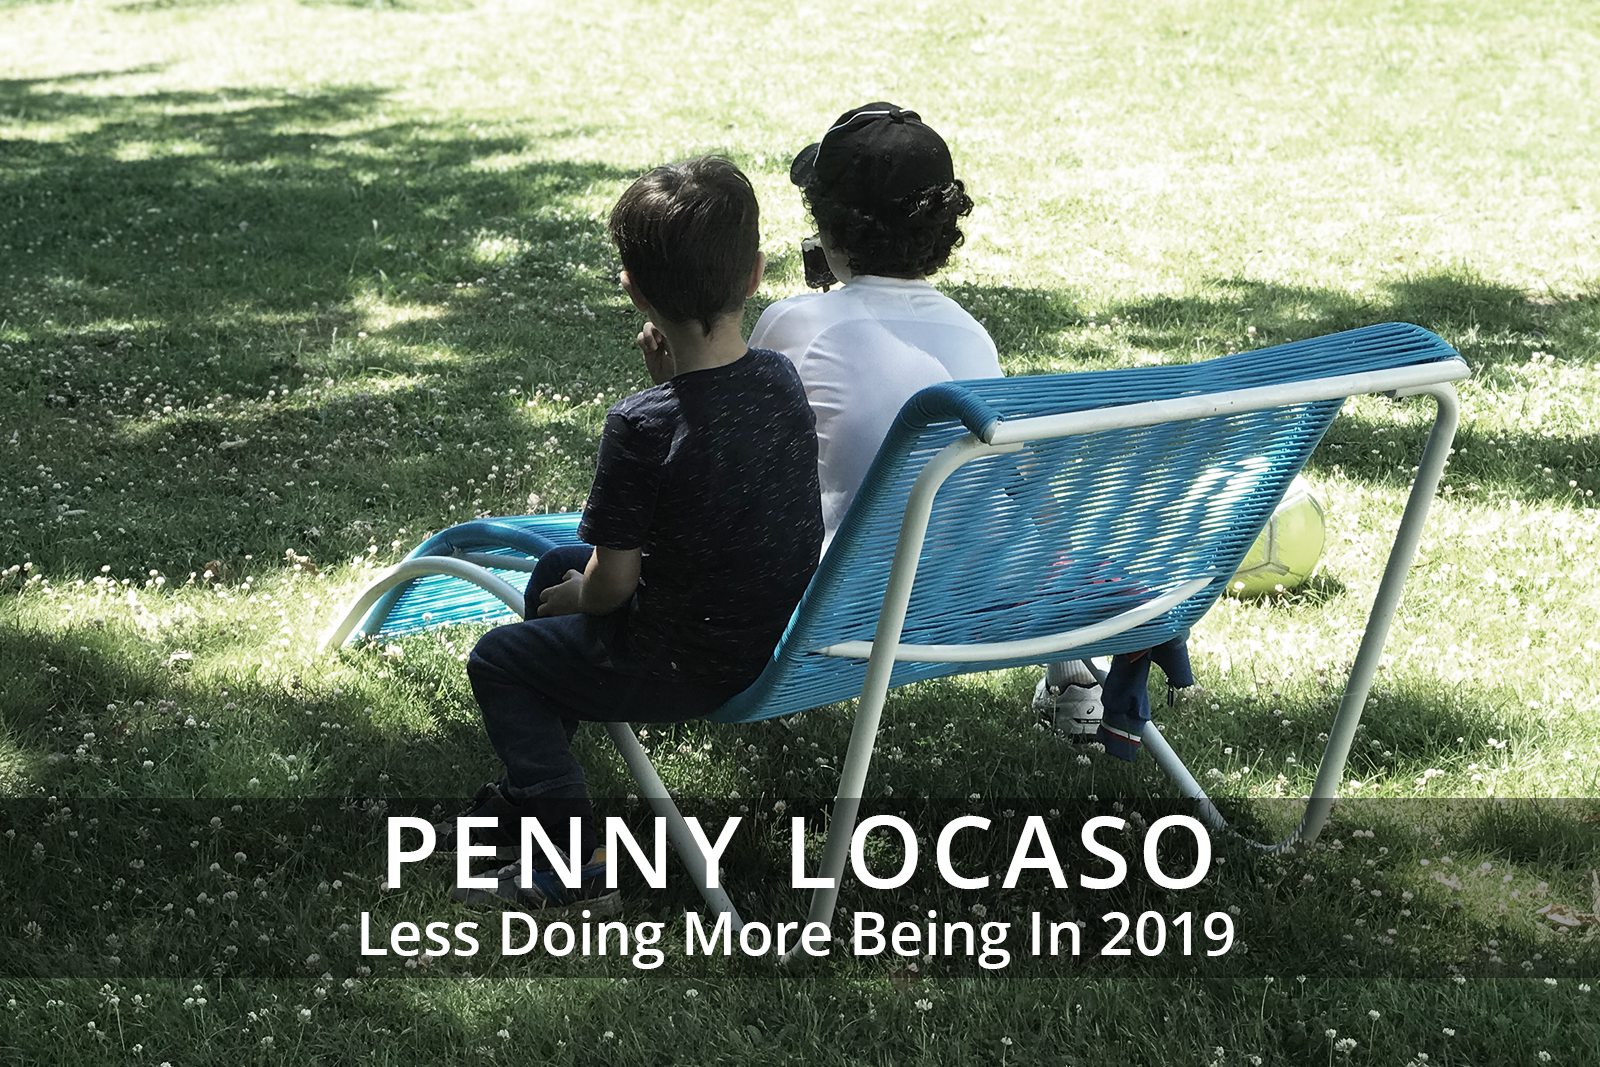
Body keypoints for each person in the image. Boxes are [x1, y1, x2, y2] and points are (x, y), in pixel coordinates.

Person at [451, 157, 824, 908]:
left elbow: (613, 583)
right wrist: (671, 390)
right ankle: (538, 792)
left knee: (499, 658)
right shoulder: (781, 378)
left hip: (682, 660)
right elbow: (708, 463)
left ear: (632, 287)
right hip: (770, 634)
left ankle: (573, 861)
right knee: (560, 560)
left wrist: (578, 599)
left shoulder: (639, 424)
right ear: (754, 275)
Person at [746, 102, 1002, 554]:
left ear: (831, 225)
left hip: (849, 616)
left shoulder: (796, 324)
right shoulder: (972, 336)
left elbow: (732, 457)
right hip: (970, 604)